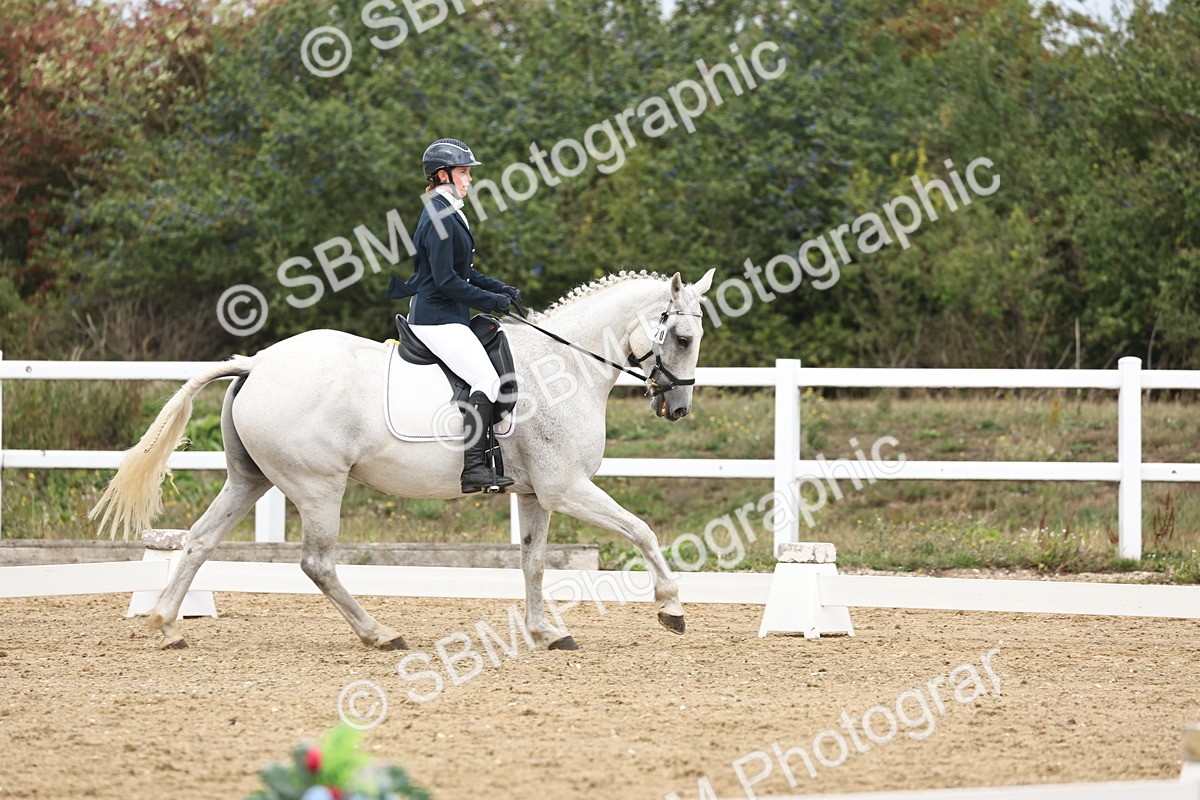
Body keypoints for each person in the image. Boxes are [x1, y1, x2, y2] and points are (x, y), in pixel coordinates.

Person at [385, 138, 525, 493]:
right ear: (442, 175)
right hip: (436, 318)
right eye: (464, 172)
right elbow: (447, 281)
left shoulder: (447, 210)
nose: (470, 179)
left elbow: (464, 271)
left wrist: (500, 288)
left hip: (448, 314)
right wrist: (491, 301)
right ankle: (474, 468)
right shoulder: (439, 216)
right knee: (487, 381)